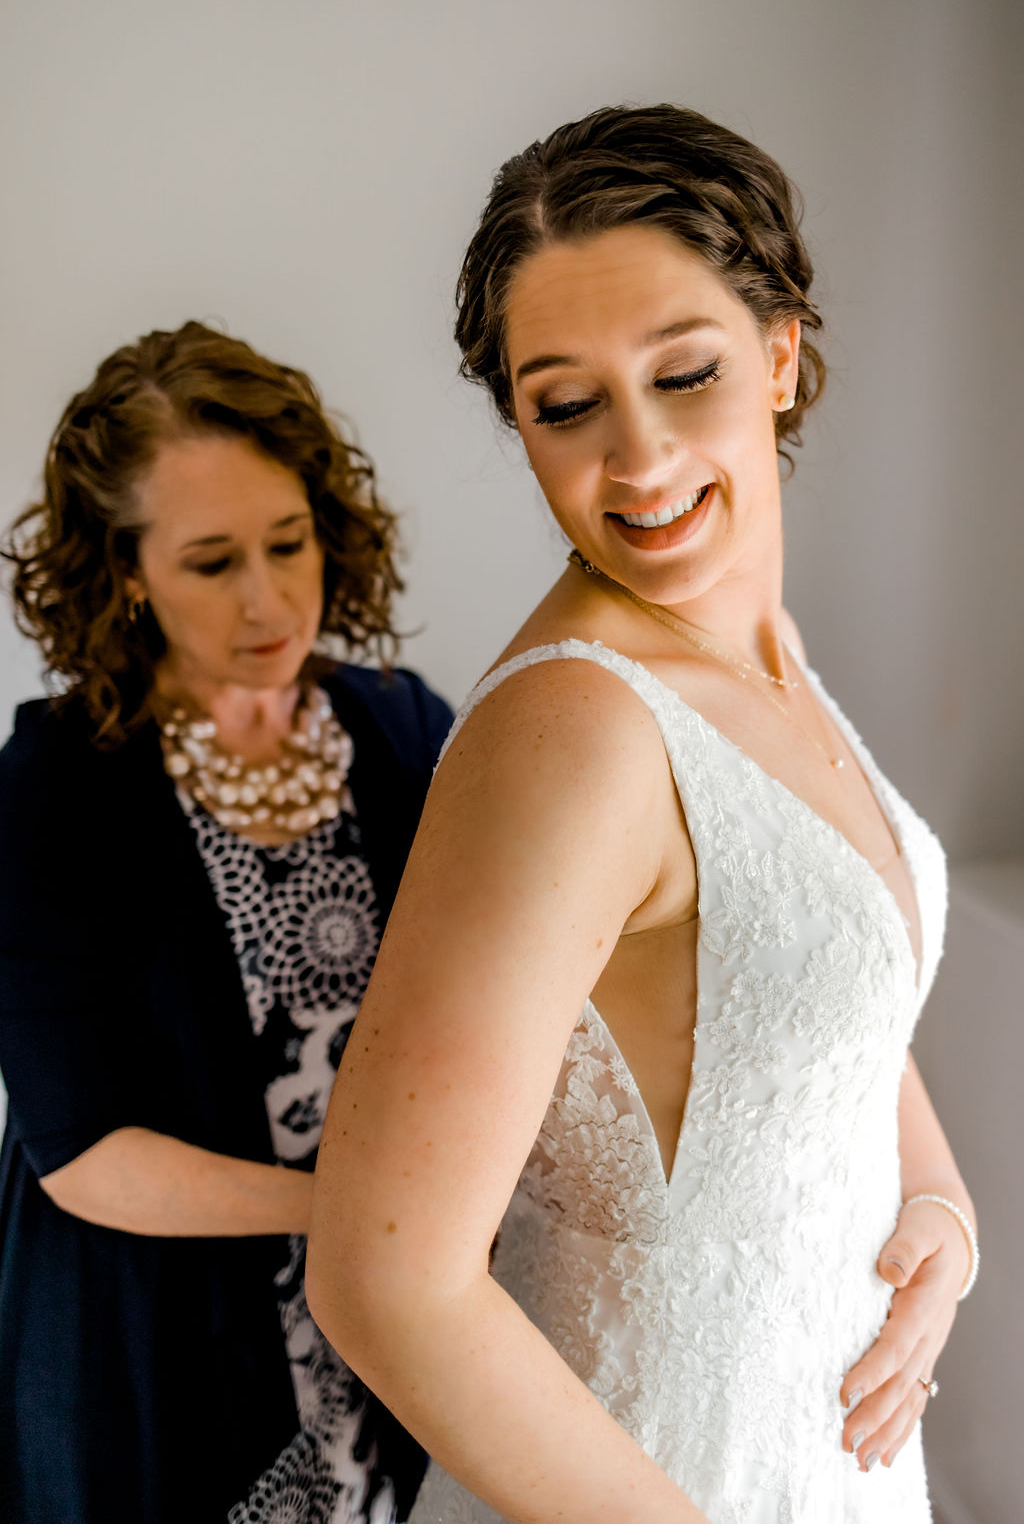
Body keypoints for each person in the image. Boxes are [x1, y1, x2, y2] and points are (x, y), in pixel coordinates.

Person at [305, 106, 978, 1524]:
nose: (640, 460)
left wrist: (942, 1211)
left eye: (684, 374)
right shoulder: (578, 731)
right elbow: (386, 1277)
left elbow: (810, 989)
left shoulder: (755, 649)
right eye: (566, 404)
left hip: (832, 1463)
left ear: (781, 355)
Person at [0, 321, 451, 1524]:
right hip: (153, 1353)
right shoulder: (60, 777)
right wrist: (365, 1210)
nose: (269, 600)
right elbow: (84, 1157)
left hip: (373, 1330)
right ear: (127, 571)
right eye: (211, 562)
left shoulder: (401, 731)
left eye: (288, 542)